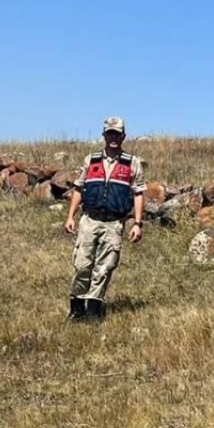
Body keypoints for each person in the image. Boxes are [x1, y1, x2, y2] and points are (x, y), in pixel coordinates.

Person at [63, 116, 146, 323]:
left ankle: (93, 310)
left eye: (117, 133)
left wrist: (137, 223)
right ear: (104, 135)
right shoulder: (91, 160)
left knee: (105, 267)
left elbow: (138, 194)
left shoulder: (132, 163)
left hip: (114, 223)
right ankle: (76, 310)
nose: (113, 137)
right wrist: (70, 216)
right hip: (89, 220)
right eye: (110, 133)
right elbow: (79, 188)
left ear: (123, 136)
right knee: (82, 265)